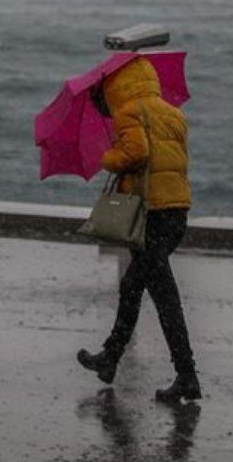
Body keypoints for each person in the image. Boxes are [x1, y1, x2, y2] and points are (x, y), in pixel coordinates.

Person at [77, 56, 201, 403]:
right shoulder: (172, 113)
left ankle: (185, 374)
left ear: (118, 86)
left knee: (157, 294)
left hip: (151, 215)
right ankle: (112, 358)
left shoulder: (129, 112)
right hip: (176, 211)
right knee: (140, 288)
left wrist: (109, 158)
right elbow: (170, 159)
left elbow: (136, 152)